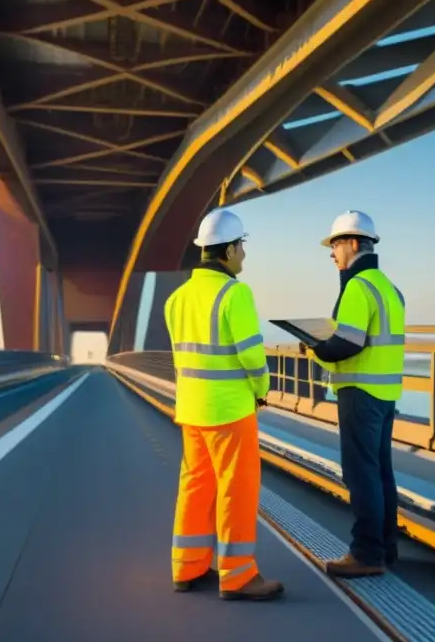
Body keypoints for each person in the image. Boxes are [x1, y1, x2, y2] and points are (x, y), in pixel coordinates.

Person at [165, 208, 284, 601]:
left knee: (196, 485)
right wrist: (263, 388)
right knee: (237, 488)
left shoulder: (177, 299)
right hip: (230, 410)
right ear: (229, 250)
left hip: (191, 410)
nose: (244, 257)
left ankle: (187, 567)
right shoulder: (235, 294)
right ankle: (237, 576)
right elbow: (252, 355)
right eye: (242, 248)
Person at [301, 211, 405, 578]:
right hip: (385, 391)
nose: (332, 254)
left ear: (354, 244)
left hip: (359, 391)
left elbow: (347, 343)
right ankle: (385, 550)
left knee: (361, 475)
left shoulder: (358, 288)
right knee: (381, 474)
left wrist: (315, 346)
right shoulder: (390, 287)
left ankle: (366, 554)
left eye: (335, 245)